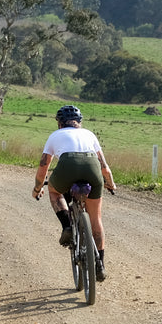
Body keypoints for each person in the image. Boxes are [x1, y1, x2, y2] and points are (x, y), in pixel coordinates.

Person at [32, 104, 116, 281]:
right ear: (79, 122)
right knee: (96, 220)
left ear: (60, 123)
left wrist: (37, 189)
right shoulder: (89, 134)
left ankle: (67, 227)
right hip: (92, 169)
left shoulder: (55, 135)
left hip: (67, 167)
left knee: (54, 191)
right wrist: (110, 184)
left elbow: (42, 169)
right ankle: (100, 265)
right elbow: (105, 168)